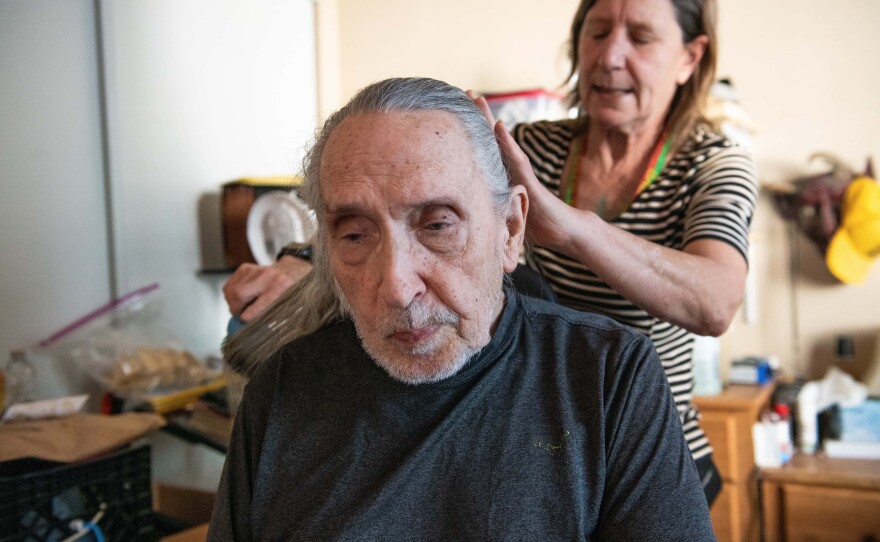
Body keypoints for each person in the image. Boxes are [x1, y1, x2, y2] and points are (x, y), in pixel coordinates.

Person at [222, 0, 756, 506]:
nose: (610, 55)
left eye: (640, 37)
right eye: (596, 32)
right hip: (524, 425)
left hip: (637, 438)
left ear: (690, 57)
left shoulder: (713, 165)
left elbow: (715, 302)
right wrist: (302, 257)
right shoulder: (532, 147)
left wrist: (570, 229)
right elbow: (394, 191)